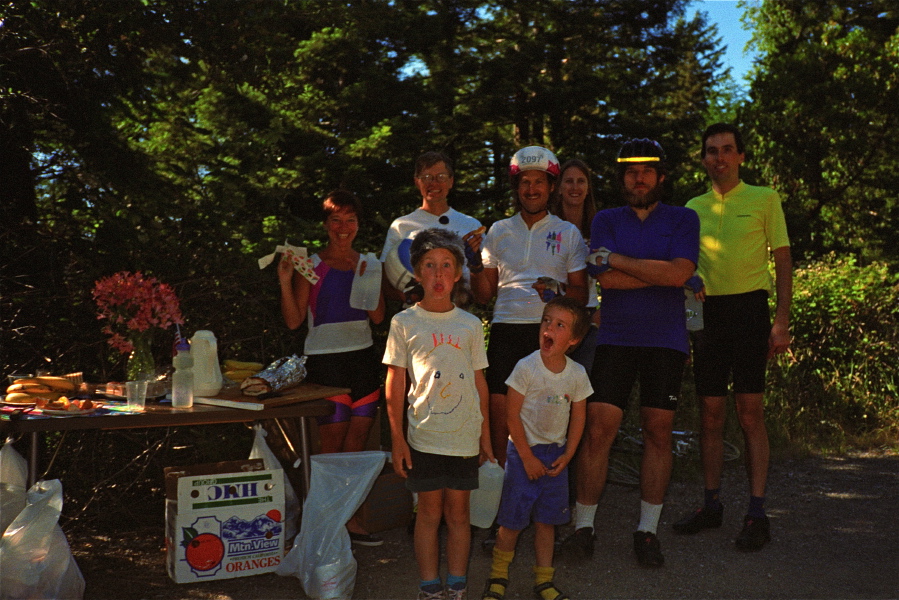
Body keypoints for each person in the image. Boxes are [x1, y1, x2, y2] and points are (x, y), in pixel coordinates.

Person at [562, 139, 699, 567]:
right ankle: (584, 529)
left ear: (660, 176)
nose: (638, 179)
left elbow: (681, 271)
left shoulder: (683, 218)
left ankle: (647, 532)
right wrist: (663, 276)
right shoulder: (605, 218)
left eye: (647, 171)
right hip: (616, 338)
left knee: (658, 432)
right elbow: (609, 283)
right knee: (599, 430)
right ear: (622, 179)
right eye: (630, 172)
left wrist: (622, 260)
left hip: (667, 339)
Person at [674, 123, 792, 552]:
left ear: (741, 156)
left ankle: (757, 512)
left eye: (727, 150)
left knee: (749, 414)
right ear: (704, 159)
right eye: (711, 151)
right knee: (709, 415)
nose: (719, 158)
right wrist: (689, 279)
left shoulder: (764, 199)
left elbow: (782, 260)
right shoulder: (692, 207)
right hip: (708, 316)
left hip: (749, 313)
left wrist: (781, 320)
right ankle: (712, 505)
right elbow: (682, 264)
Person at [384, 228, 494, 600]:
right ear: (416, 273)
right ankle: (430, 587)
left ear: (459, 272)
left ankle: (458, 585)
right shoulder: (404, 323)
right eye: (429, 265)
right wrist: (398, 438)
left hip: (464, 436)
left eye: (447, 265)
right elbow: (395, 383)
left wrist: (486, 438)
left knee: (459, 514)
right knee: (429, 514)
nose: (438, 274)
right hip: (424, 437)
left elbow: (480, 384)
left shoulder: (469, 324)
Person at [467, 146, 589, 471]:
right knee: (498, 410)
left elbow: (582, 293)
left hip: (549, 332)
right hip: (506, 327)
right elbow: (483, 295)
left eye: (539, 182)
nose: (531, 189)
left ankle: (545, 491)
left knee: (546, 416)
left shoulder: (568, 232)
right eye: (525, 183)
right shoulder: (498, 231)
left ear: (551, 187)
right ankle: (501, 492)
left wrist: (558, 289)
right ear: (516, 187)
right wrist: (474, 266)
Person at [278, 188, 386, 546]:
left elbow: (379, 315)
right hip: (326, 362)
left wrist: (369, 279)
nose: (344, 227)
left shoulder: (368, 262)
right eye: (336, 219)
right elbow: (294, 322)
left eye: (350, 219)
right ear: (325, 224)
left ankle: (349, 518)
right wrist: (284, 279)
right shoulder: (311, 265)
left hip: (363, 358)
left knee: (356, 444)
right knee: (332, 444)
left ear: (358, 224)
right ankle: (324, 523)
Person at [482, 297, 592, 600]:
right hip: (522, 455)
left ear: (574, 339)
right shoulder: (525, 367)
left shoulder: (577, 374)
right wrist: (527, 457)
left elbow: (579, 416)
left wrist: (568, 455)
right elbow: (510, 414)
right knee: (512, 521)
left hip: (556, 456)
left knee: (548, 522)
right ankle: (497, 577)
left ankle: (544, 580)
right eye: (546, 321)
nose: (549, 328)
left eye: (560, 325)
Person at [381, 151, 482, 305]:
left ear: (451, 181)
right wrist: (410, 297)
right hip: (416, 320)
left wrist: (476, 263)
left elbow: (485, 294)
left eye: (441, 177)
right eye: (426, 177)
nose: (433, 183)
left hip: (461, 317)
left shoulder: (471, 226)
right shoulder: (401, 226)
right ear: (417, 182)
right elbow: (385, 282)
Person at [549, 159, 601, 369]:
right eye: (568, 181)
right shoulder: (547, 228)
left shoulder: (599, 229)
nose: (575, 187)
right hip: (552, 315)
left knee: (583, 389)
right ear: (559, 188)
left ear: (588, 189)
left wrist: (598, 318)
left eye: (581, 181)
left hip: (588, 318)